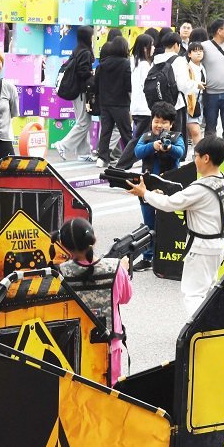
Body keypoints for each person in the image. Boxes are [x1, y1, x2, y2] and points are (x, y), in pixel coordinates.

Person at [126, 136, 224, 315]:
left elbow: (169, 204)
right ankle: (212, 325)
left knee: (193, 295)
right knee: (209, 289)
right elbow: (184, 199)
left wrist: (144, 193)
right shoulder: (223, 179)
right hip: (220, 243)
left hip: (203, 248)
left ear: (206, 158)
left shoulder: (201, 188)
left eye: (196, 156)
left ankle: (198, 335)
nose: (194, 160)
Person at [55, 218, 132, 385]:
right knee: (109, 392)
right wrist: (124, 271)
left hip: (74, 344)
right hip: (110, 345)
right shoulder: (116, 267)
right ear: (93, 239)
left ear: (64, 245)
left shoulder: (60, 273)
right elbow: (125, 298)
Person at [132, 101, 184, 272]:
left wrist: (168, 148)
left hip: (168, 189)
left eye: (164, 122)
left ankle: (165, 255)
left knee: (167, 222)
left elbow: (181, 153)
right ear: (152, 120)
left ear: (171, 124)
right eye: (156, 121)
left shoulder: (177, 138)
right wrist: (153, 146)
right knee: (149, 223)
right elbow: (137, 152)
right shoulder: (146, 137)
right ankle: (148, 257)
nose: (159, 125)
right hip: (146, 188)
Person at [54, 25, 95, 161]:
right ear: (88, 37)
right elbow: (82, 72)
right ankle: (64, 145)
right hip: (82, 91)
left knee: (81, 121)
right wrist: (92, 73)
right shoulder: (85, 52)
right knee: (84, 122)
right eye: (92, 36)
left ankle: (83, 153)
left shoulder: (77, 49)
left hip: (76, 91)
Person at [115, 33, 154, 169]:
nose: (153, 48)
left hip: (136, 106)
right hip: (145, 108)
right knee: (139, 139)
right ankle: (121, 166)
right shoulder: (144, 66)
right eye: (151, 45)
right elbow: (148, 87)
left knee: (142, 138)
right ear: (145, 48)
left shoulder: (133, 63)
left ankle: (143, 166)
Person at [94, 36, 132, 168]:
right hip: (121, 103)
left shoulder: (102, 65)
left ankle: (102, 158)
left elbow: (95, 84)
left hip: (105, 103)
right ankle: (130, 157)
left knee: (106, 131)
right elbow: (129, 85)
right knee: (126, 131)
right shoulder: (126, 64)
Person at [184, 41, 207, 150]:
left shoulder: (202, 67)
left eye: (201, 51)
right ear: (189, 54)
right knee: (195, 130)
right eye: (195, 51)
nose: (199, 53)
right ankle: (199, 153)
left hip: (200, 101)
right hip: (190, 101)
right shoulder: (187, 67)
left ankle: (197, 153)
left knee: (196, 130)